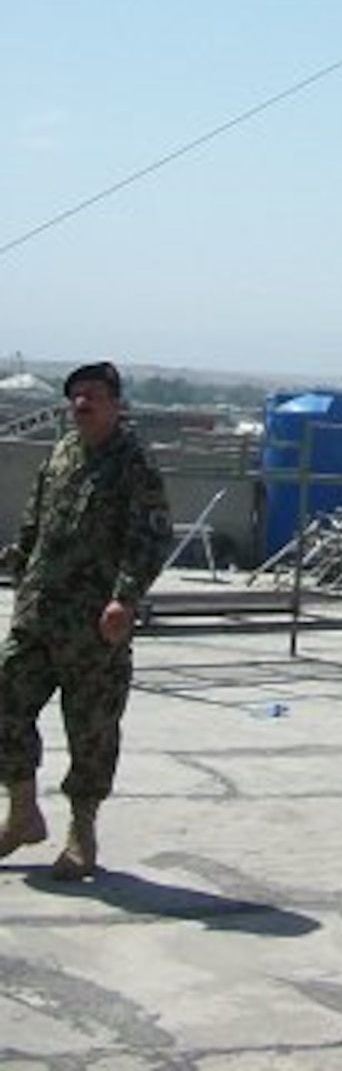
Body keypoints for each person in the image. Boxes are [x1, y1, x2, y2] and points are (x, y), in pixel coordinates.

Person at [0, 360, 173, 879]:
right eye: (75, 396)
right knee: (5, 703)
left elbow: (150, 539)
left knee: (91, 730)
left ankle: (82, 831)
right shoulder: (61, 455)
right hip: (38, 614)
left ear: (116, 403)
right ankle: (23, 812)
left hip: (94, 629)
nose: (81, 404)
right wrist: (12, 563)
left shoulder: (134, 464)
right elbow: (35, 527)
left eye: (92, 395)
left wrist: (125, 599)